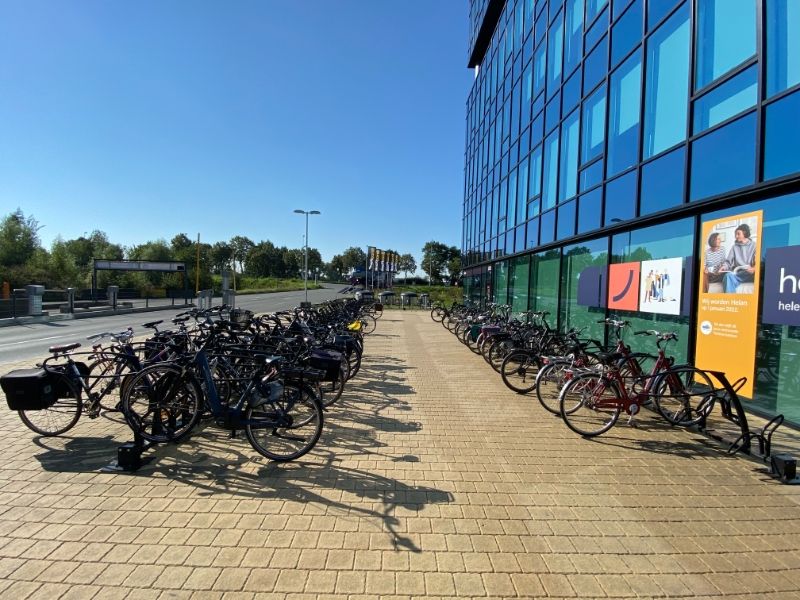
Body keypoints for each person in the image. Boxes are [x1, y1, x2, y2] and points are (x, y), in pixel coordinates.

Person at [719, 224, 756, 293]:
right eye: (735, 234)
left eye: (738, 234)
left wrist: (754, 268)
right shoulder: (734, 247)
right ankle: (730, 301)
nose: (736, 236)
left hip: (750, 274)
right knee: (728, 276)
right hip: (739, 274)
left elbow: (758, 263)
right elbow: (728, 262)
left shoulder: (754, 245)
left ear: (745, 233)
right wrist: (724, 267)